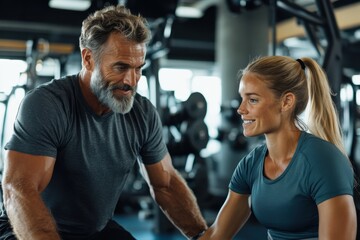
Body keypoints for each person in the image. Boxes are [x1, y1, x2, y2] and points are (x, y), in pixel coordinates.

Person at [0, 5, 208, 240]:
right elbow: (19, 190)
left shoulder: (142, 113)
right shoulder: (48, 104)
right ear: (88, 59)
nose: (131, 80)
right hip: (24, 228)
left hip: (93, 231)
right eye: (120, 67)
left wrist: (203, 235)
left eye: (138, 69)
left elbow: (166, 185)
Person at [200, 56, 357, 240]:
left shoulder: (323, 161)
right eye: (242, 98)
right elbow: (216, 235)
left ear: (286, 102)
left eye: (252, 100)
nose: (241, 109)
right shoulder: (252, 163)